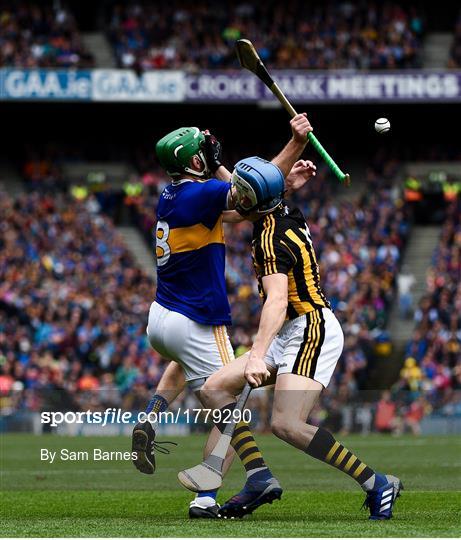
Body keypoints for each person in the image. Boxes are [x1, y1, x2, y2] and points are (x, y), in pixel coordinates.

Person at [132, 115, 317, 518]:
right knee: (226, 398)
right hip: (196, 319)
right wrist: (295, 143)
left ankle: (150, 416)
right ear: (195, 162)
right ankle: (211, 495)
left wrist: (285, 183)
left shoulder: (175, 195)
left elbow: (247, 207)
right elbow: (253, 189)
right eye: (201, 152)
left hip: (161, 320)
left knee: (186, 364)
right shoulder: (202, 195)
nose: (206, 153)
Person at [200, 157, 403, 520]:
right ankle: (258, 475)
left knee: (286, 424)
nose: (234, 196)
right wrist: (218, 165)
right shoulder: (282, 209)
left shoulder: (268, 238)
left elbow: (277, 300)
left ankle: (376, 483)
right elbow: (255, 193)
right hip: (291, 329)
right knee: (214, 388)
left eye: (240, 194)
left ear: (254, 201)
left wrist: (258, 354)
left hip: (310, 328)